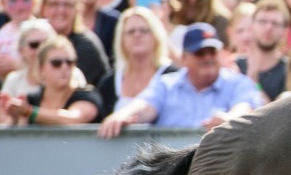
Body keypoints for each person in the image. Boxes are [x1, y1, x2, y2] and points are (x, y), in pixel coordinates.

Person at [98, 21, 262, 135]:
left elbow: (245, 107)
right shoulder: (167, 84)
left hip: (219, 168)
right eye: (199, 53)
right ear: (183, 58)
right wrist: (122, 115)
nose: (207, 58)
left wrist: (229, 119)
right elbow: (144, 105)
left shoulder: (237, 82)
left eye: (212, 52)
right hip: (172, 170)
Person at [95, 4, 174, 117]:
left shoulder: (172, 77)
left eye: (144, 31)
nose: (137, 35)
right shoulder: (108, 83)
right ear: (121, 39)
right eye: (131, 31)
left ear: (156, 36)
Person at [236, 0, 289, 101]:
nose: (268, 28)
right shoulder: (236, 66)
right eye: (262, 22)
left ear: (284, 31)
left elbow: (278, 115)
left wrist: (254, 82)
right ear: (252, 26)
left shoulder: (290, 71)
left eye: (275, 23)